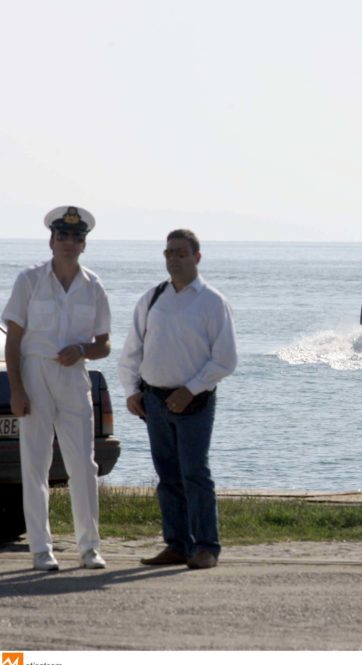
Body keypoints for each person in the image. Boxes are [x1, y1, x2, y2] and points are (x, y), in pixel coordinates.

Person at [118, 229, 237, 570]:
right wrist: (131, 391)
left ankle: (206, 547)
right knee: (167, 475)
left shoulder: (212, 301)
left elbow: (225, 359)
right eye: (169, 252)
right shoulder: (153, 298)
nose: (174, 258)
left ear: (197, 257)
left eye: (181, 253)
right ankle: (177, 545)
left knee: (195, 473)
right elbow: (132, 350)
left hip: (194, 402)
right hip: (154, 402)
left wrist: (191, 389)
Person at [2, 206, 111, 571]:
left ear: (84, 245)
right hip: (34, 372)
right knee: (35, 464)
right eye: (62, 236)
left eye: (76, 237)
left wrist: (83, 350)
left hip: (73, 375)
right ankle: (40, 549)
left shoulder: (92, 285)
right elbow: (13, 341)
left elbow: (104, 344)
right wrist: (17, 389)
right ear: (51, 240)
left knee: (83, 463)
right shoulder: (29, 280)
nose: (69, 242)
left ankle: (89, 547)